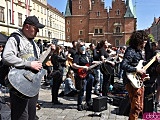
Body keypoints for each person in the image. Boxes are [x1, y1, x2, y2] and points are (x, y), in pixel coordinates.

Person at [2, 15, 45, 120]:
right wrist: (29, 64)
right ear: (27, 27)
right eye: (35, 28)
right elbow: (6, 57)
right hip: (19, 84)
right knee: (21, 116)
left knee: (31, 115)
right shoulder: (15, 38)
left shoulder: (34, 44)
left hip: (32, 84)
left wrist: (50, 53)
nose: (37, 31)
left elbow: (38, 62)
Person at [121, 30, 149, 120]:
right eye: (144, 41)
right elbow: (123, 65)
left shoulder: (139, 51)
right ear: (139, 40)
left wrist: (154, 60)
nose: (145, 43)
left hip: (138, 81)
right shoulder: (130, 51)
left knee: (139, 107)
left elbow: (141, 65)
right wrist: (136, 69)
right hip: (131, 81)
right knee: (136, 107)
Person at [72, 40, 97, 111]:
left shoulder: (87, 54)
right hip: (81, 75)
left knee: (89, 89)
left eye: (83, 45)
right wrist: (83, 67)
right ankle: (79, 104)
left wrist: (99, 62)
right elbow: (74, 65)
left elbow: (91, 62)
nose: (83, 47)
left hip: (89, 74)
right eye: (81, 46)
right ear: (78, 47)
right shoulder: (77, 55)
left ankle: (88, 101)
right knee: (82, 90)